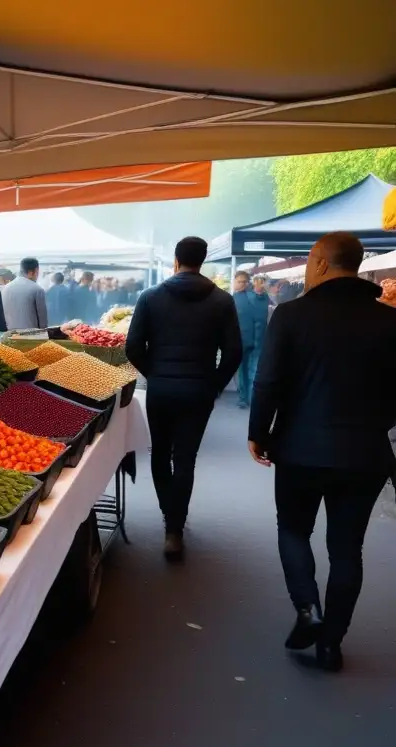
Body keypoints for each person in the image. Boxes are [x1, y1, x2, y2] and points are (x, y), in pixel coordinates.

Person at [248, 233, 396, 672]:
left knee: (293, 529)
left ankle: (308, 608)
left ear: (320, 263)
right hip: (365, 453)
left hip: (299, 448)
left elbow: (268, 380)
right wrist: (375, 426)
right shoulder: (390, 322)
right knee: (348, 548)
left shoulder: (292, 316)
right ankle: (331, 645)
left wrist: (259, 431)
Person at [125, 236, 242, 560]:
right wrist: (215, 384)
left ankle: (169, 514)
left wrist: (155, 374)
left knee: (161, 454)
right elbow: (233, 352)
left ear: (175, 261)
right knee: (186, 457)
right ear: (203, 261)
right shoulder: (222, 301)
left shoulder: (150, 297)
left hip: (162, 389)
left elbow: (133, 347)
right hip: (199, 390)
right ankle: (175, 527)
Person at [232, 271, 270, 409]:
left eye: (243, 281)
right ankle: (244, 397)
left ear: (248, 283)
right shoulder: (234, 298)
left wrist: (259, 292)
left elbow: (260, 300)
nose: (241, 284)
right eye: (238, 281)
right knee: (243, 370)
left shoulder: (254, 296)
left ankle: (251, 397)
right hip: (242, 340)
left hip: (257, 340)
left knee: (253, 369)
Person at [2, 258, 47, 331]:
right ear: (33, 271)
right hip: (31, 336)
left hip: (10, 334)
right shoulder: (37, 289)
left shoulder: (6, 288)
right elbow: (42, 320)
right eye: (37, 272)